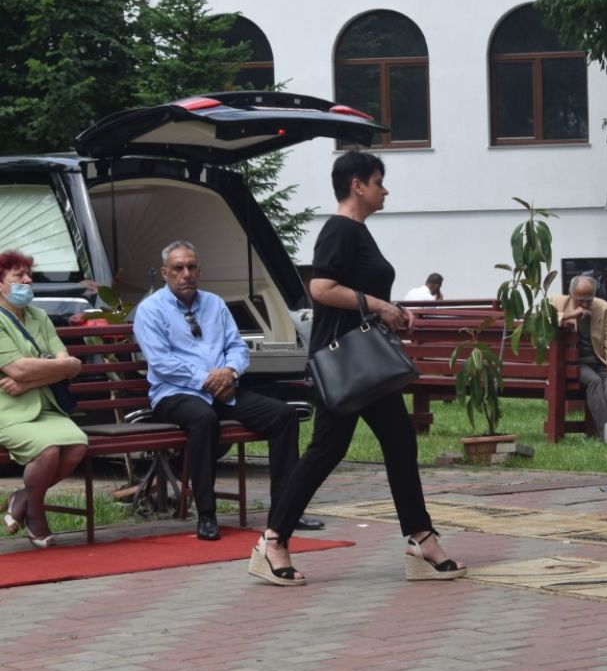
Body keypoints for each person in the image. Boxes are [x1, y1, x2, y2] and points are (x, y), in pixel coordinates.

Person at [249, 150, 464, 586]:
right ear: (357, 186)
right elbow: (321, 288)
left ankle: (421, 540)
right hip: (346, 362)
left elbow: (355, 292)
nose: (385, 190)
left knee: (398, 442)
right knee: (327, 450)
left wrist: (391, 309)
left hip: (364, 362)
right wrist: (379, 305)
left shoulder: (358, 232)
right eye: (379, 182)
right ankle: (272, 541)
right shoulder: (340, 230)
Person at [134, 241, 324, 540]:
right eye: (178, 268)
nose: (186, 274)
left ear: (200, 270)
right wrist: (208, 381)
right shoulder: (150, 310)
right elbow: (161, 362)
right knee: (204, 419)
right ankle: (207, 514)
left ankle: (286, 512)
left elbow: (237, 347)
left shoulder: (215, 304)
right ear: (165, 273)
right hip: (175, 394)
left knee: (284, 416)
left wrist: (230, 372)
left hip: (224, 390)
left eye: (191, 267)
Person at [0, 250, 87, 549]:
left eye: (29, 275)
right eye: (19, 276)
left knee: (77, 445)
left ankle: (22, 498)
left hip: (46, 407)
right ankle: (36, 515)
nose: (27, 281)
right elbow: (17, 368)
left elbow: (69, 364)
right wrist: (45, 369)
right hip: (8, 411)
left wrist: (29, 382)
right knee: (47, 451)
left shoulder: (38, 316)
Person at [551, 275, 607, 469]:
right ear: (571, 294)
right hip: (572, 364)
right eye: (580, 299)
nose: (586, 303)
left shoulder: (604, 309)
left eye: (589, 299)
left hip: (598, 361)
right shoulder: (557, 303)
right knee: (594, 382)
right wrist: (570, 315)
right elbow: (539, 321)